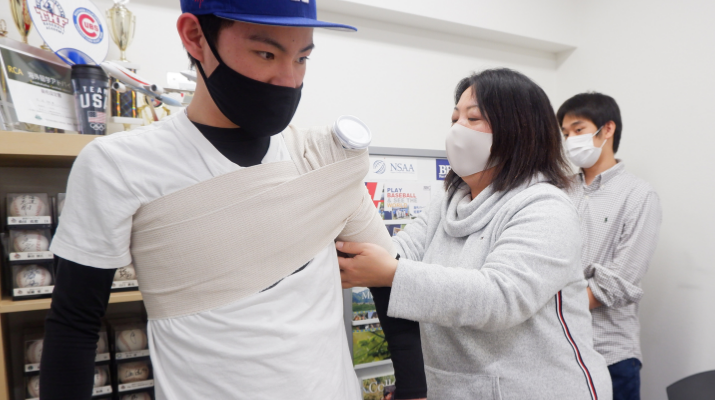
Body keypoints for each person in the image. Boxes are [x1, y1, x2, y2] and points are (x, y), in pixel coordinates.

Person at [40, 1, 426, 399]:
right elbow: (75, 323)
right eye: (266, 53)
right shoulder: (117, 166)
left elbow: (388, 280)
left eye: (302, 58)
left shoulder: (320, 159)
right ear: (195, 37)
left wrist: (414, 389)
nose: (288, 78)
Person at [337, 69, 613, 400]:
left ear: (518, 128)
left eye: (473, 117)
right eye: (455, 118)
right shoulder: (446, 203)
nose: (457, 129)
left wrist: (393, 273)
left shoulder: (545, 206)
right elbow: (396, 252)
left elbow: (500, 297)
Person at [558, 93, 662, 400]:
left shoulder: (639, 195)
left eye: (578, 130)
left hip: (610, 353)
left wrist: (552, 303)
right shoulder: (558, 190)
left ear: (608, 129)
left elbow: (620, 281)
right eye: (565, 134)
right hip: (558, 351)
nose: (570, 140)